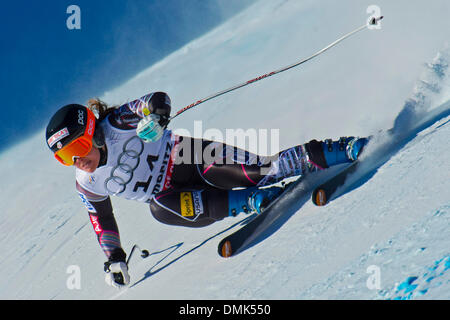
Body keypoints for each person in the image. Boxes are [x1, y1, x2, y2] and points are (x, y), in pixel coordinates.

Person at [45, 91, 367, 288]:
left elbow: (156, 100)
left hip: (189, 158)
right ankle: (250, 202)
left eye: (79, 145)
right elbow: (102, 222)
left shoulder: (117, 123)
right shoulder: (86, 183)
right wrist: (114, 257)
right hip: (173, 197)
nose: (78, 160)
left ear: (93, 131)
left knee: (260, 171)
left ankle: (339, 150)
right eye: (64, 156)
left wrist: (156, 117)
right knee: (160, 209)